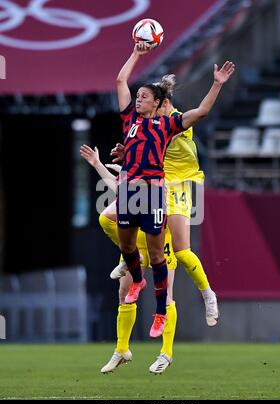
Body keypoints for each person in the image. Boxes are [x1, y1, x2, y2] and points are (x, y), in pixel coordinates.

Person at [113, 41, 235, 339]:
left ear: (160, 103)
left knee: (178, 251)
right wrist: (125, 154)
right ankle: (132, 268)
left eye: (145, 96)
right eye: (138, 96)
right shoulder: (132, 121)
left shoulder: (170, 125)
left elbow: (201, 112)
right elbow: (119, 81)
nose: (138, 99)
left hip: (171, 186)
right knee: (109, 222)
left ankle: (203, 296)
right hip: (133, 189)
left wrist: (216, 85)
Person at [80, 145, 177, 374]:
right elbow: (119, 189)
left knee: (167, 295)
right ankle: (122, 350)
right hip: (137, 235)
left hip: (159, 234)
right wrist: (97, 164)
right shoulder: (134, 170)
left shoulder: (161, 168)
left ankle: (166, 353)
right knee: (124, 293)